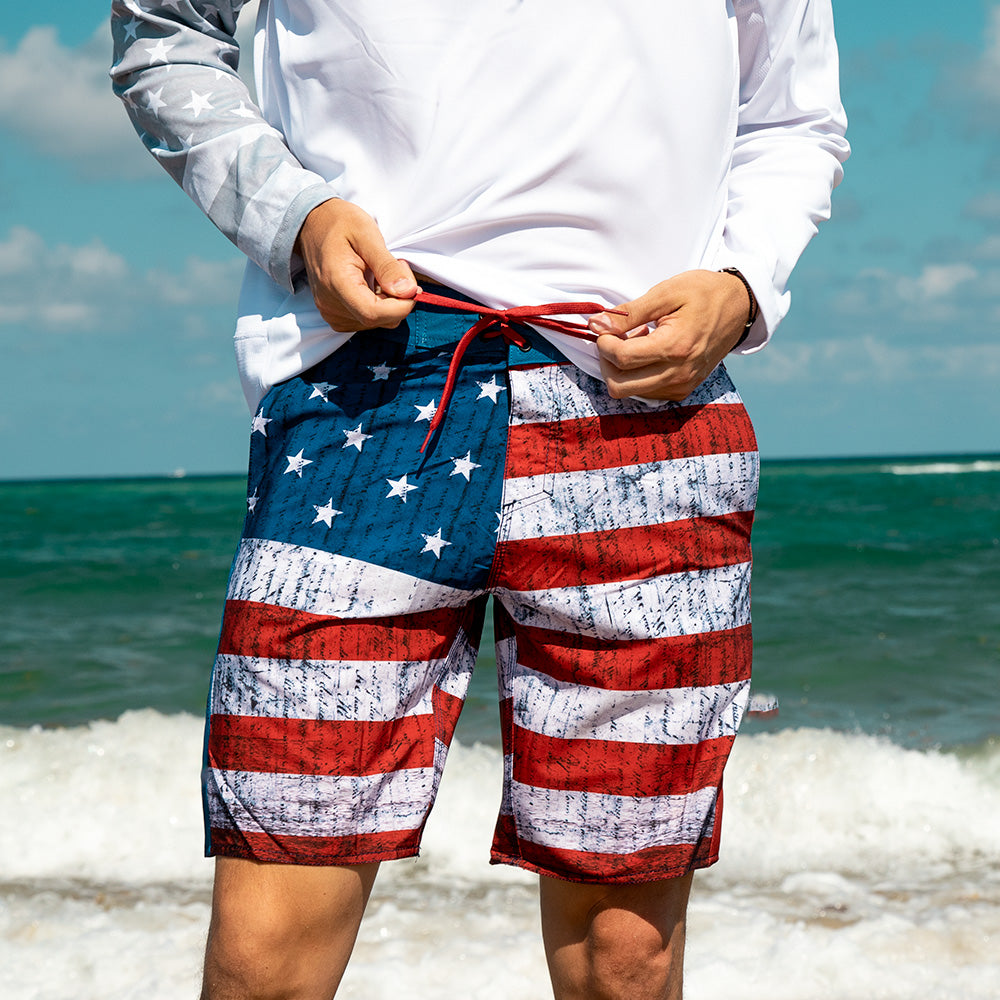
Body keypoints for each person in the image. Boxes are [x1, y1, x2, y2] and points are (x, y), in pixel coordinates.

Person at [110, 2, 848, 997]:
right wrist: (297, 216)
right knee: (264, 954)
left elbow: (794, 115)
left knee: (625, 956)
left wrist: (742, 283)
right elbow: (163, 29)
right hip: (358, 386)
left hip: (643, 397)